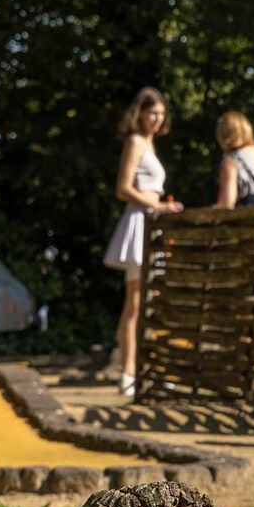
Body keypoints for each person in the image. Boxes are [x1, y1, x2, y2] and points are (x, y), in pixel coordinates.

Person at [104, 88, 182, 397]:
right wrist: (157, 206)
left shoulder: (150, 144)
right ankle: (128, 372)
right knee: (135, 302)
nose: (157, 119)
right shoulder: (136, 142)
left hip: (154, 223)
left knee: (152, 301)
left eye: (161, 114)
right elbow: (123, 188)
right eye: (152, 113)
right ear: (141, 113)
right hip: (140, 221)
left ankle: (151, 368)